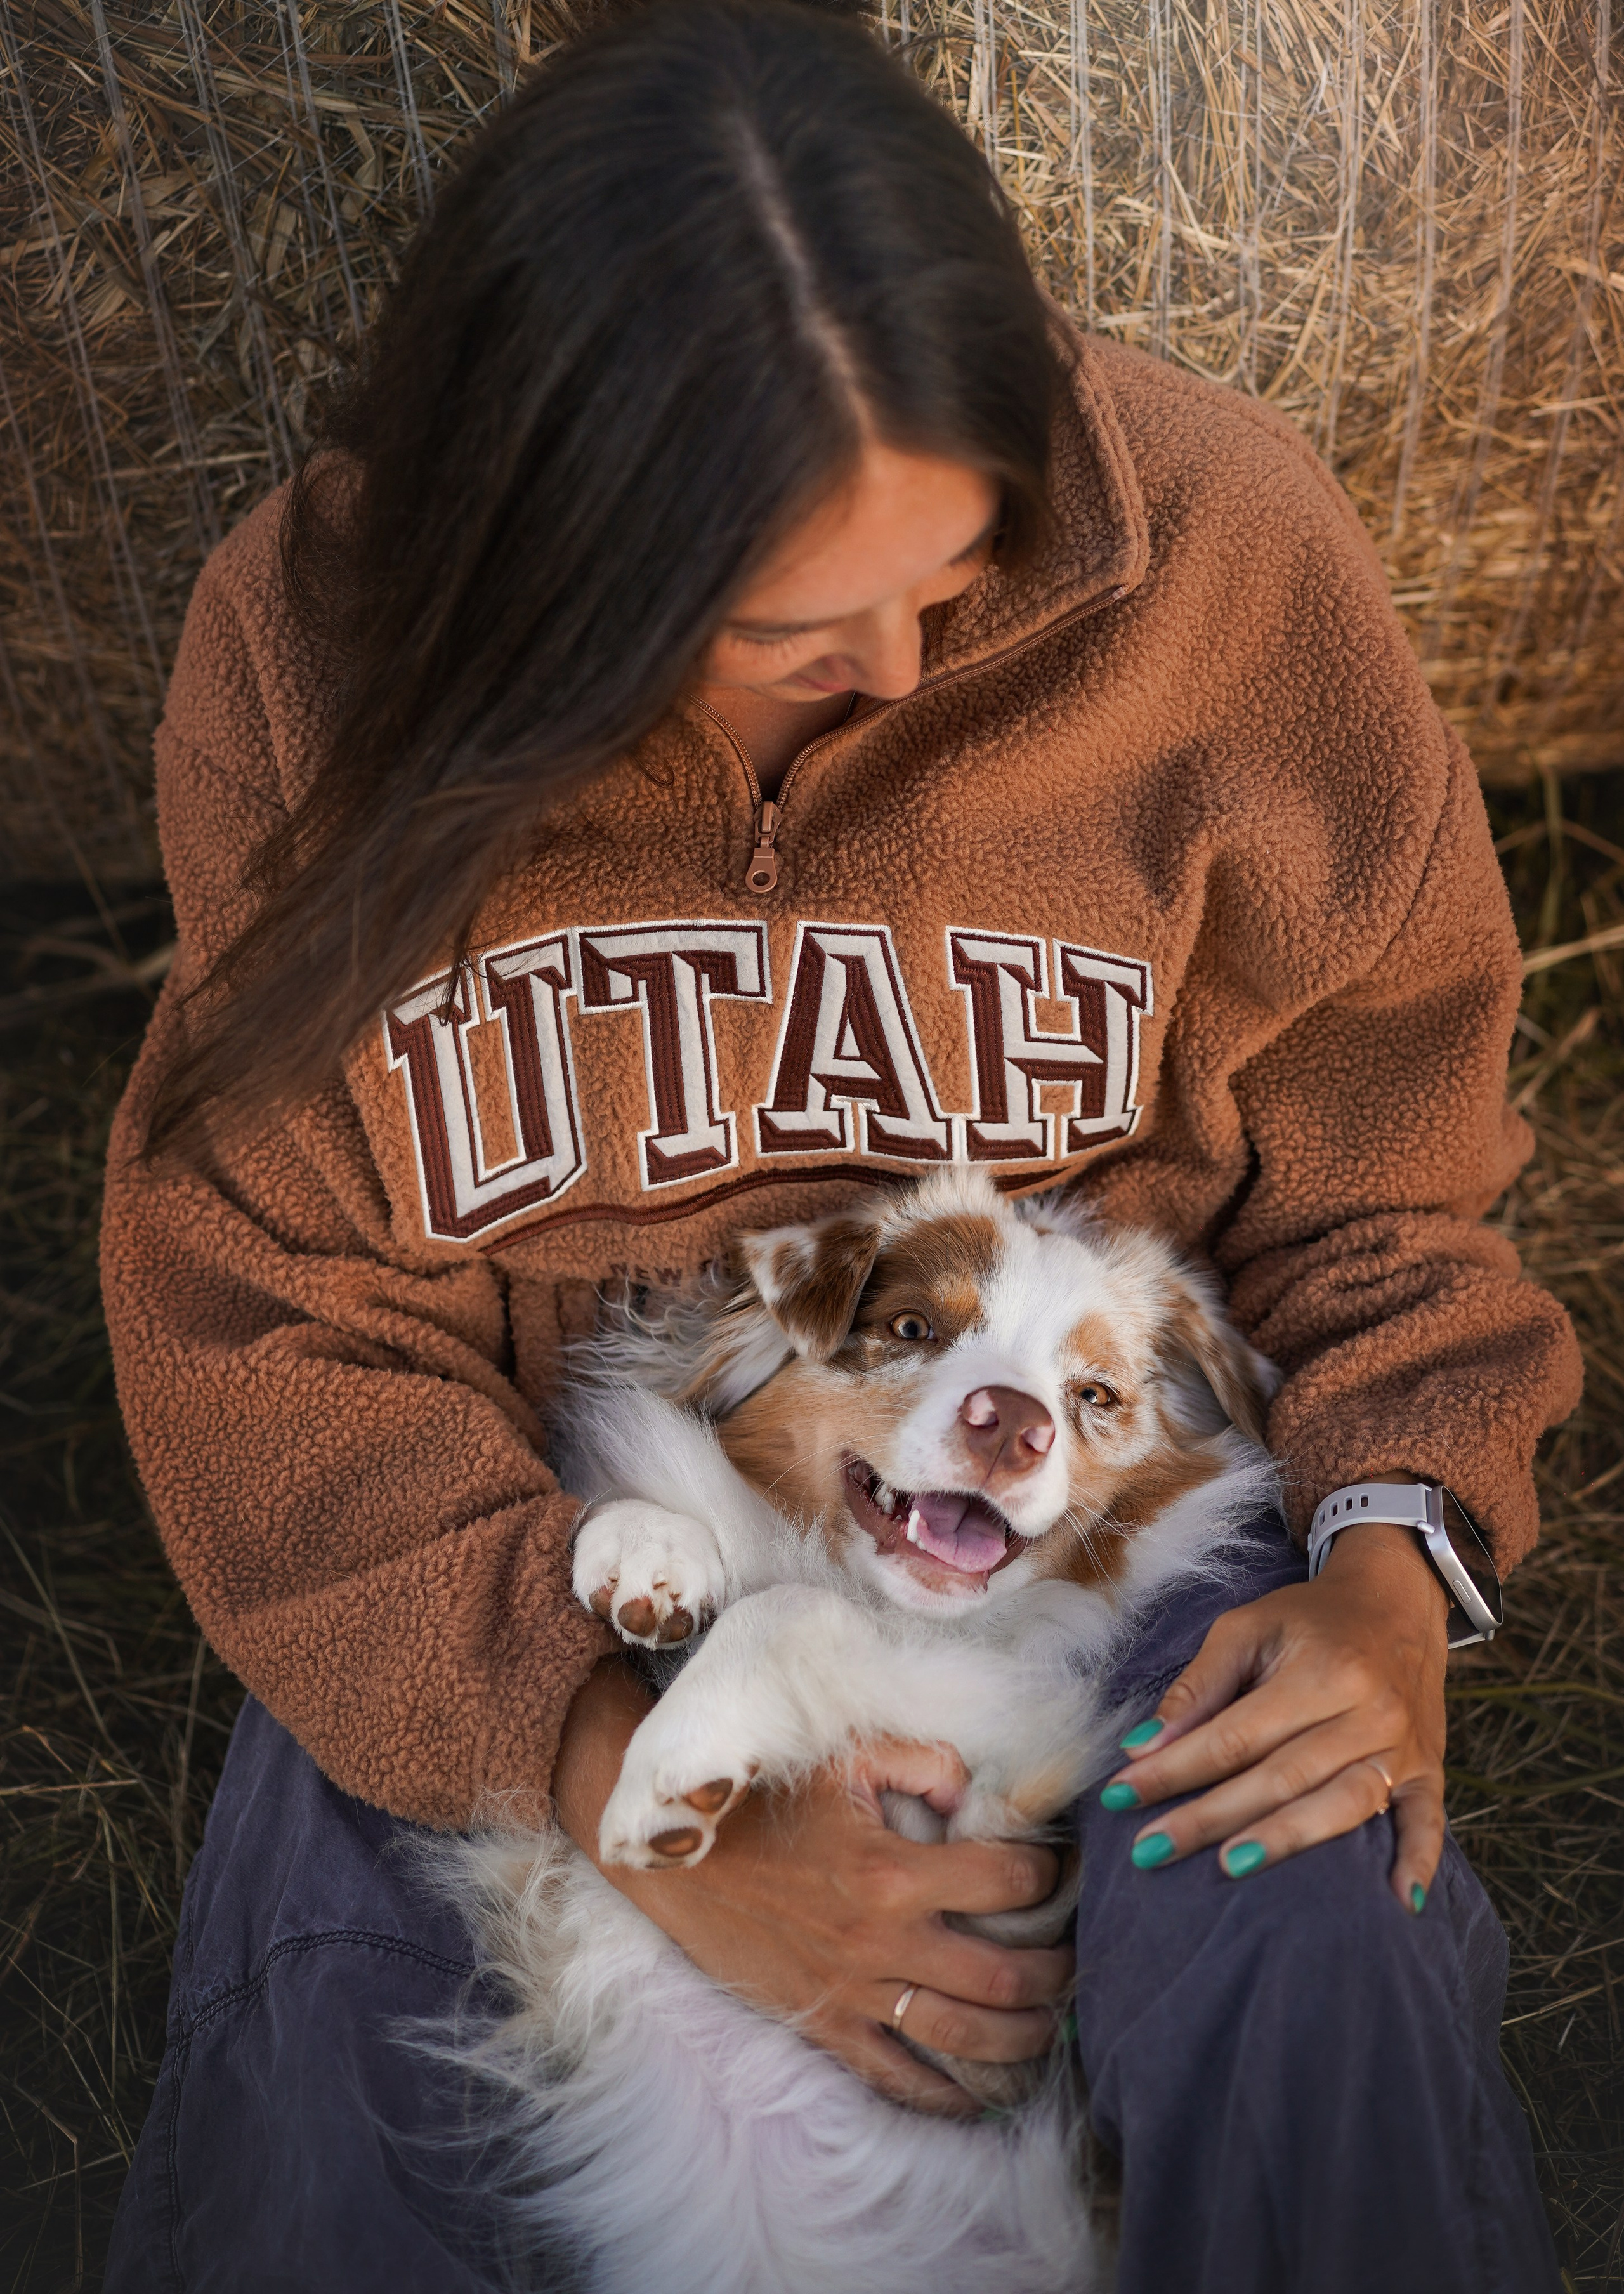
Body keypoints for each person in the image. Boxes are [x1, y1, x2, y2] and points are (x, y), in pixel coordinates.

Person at [100, 3, 1581, 2288]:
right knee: (339, 2091)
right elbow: (269, 1319)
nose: (898, 674)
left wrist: (1387, 1573)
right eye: (792, 631)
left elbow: (1386, 1182)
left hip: (1100, 1513)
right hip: (539, 1525)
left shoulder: (1224, 566)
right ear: (545, 581)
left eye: (951, 578)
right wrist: (621, 1778)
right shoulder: (306, 663)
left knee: (1315, 1941)